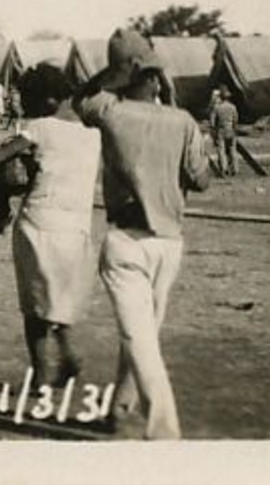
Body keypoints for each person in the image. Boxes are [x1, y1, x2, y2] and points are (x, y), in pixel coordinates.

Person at [75, 29, 214, 439]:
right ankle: (143, 421)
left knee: (139, 339)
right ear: (155, 78)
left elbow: (79, 99)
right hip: (169, 241)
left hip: (126, 240)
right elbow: (202, 180)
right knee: (143, 335)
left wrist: (116, 71)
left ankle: (150, 424)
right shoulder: (183, 121)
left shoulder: (110, 110)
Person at [9, 64, 101, 387]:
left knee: (34, 302)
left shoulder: (40, 127)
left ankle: (40, 374)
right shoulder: (93, 133)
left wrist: (3, 182)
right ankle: (67, 352)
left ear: (47, 100)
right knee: (60, 297)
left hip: (38, 220)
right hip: (77, 226)